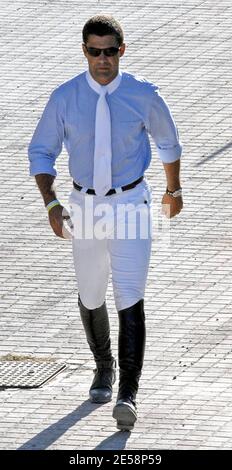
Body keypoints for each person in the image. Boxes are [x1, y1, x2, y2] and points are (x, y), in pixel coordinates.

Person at [28, 14, 183, 431]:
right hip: (83, 206)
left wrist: (174, 191)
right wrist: (51, 205)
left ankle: (128, 395)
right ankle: (103, 366)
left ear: (122, 50)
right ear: (84, 51)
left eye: (110, 51)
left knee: (130, 294)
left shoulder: (143, 94)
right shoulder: (65, 97)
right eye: (95, 51)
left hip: (132, 203)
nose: (103, 59)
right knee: (92, 292)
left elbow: (169, 142)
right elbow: (41, 153)